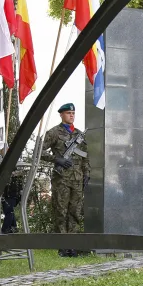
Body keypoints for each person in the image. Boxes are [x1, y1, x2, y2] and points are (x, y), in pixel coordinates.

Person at [41, 103, 90, 257]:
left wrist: (87, 172)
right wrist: (57, 159)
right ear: (61, 115)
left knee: (74, 212)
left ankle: (72, 246)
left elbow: (85, 156)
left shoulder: (79, 134)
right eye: (68, 113)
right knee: (61, 212)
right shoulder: (54, 132)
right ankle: (62, 246)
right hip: (61, 179)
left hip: (77, 179)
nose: (71, 115)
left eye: (73, 113)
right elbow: (39, 150)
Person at [0, 141, 21, 234]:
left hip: (12, 188)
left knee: (9, 209)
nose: (0, 152)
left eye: (1, 150)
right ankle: (13, 226)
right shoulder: (0, 159)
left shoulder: (14, 158)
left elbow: (20, 171)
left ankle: (5, 229)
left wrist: (11, 174)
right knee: (7, 208)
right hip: (4, 188)